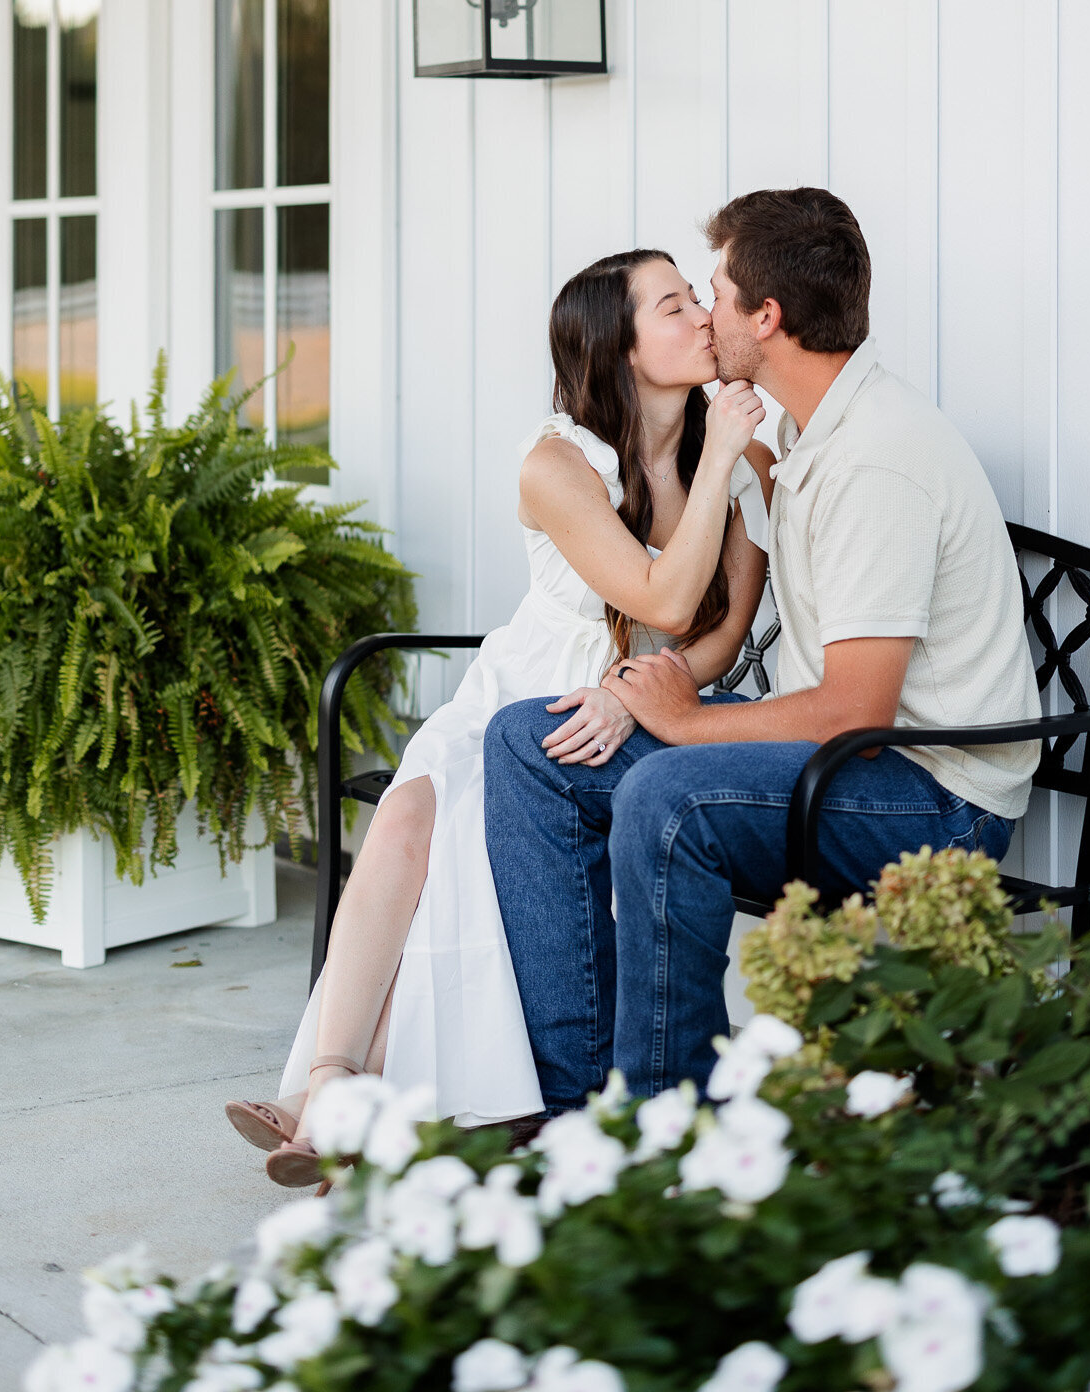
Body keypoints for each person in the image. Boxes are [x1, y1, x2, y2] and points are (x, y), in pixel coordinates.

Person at [484, 187, 1041, 1113]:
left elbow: (853, 710)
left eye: (715, 292)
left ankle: (669, 1124)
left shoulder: (877, 459)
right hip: (839, 760)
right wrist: (640, 694)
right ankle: (579, 1108)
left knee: (666, 796)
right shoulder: (804, 432)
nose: (705, 312)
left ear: (766, 317)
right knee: (527, 748)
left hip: (931, 796)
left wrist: (685, 718)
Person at [226, 248, 773, 1183]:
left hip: (633, 712)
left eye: (695, 300)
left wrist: (642, 687)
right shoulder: (557, 463)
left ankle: (343, 1110)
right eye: (673, 306)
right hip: (521, 687)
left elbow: (713, 627)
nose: (699, 320)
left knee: (465, 847)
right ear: (619, 347)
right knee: (409, 821)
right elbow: (659, 594)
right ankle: (328, 1083)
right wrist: (717, 457)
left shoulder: (735, 452)